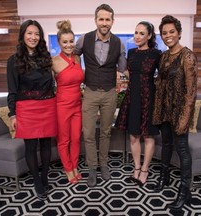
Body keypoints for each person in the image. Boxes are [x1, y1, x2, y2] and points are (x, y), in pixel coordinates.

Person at [74, 4, 127, 187]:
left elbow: (122, 68)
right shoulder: (84, 39)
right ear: (96, 20)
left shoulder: (119, 43)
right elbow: (73, 57)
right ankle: (92, 168)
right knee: (88, 133)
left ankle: (103, 164)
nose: (104, 23)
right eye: (101, 19)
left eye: (107, 19)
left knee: (105, 132)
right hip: (89, 92)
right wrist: (76, 76)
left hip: (110, 93)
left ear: (112, 21)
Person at [7, 20, 57, 201]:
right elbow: (12, 89)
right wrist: (13, 113)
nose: (33, 37)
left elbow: (52, 84)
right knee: (30, 146)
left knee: (45, 145)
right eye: (29, 33)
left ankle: (44, 177)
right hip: (26, 108)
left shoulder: (46, 58)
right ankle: (37, 181)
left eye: (36, 34)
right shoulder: (13, 60)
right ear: (22, 35)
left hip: (47, 105)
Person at [152, 15, 198, 209]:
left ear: (179, 33)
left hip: (180, 111)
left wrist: (185, 117)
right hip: (165, 109)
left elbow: (191, 91)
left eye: (172, 32)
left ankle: (184, 191)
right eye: (164, 33)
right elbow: (161, 82)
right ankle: (164, 178)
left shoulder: (187, 56)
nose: (168, 35)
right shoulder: (163, 56)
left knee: (182, 150)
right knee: (167, 144)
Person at [115, 21, 161, 186]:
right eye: (136, 32)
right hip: (132, 97)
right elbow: (127, 74)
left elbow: (162, 77)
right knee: (134, 135)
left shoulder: (157, 53)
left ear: (149, 36)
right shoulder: (131, 52)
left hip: (149, 97)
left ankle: (145, 170)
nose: (137, 36)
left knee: (148, 135)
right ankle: (136, 168)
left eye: (142, 33)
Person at [52, 20, 84, 184]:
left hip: (77, 106)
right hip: (62, 106)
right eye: (65, 42)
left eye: (71, 41)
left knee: (76, 138)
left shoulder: (78, 59)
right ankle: (68, 169)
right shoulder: (54, 61)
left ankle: (75, 166)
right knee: (64, 140)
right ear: (59, 43)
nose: (69, 45)